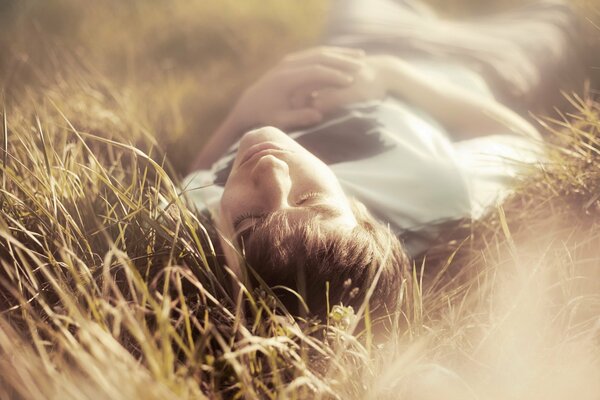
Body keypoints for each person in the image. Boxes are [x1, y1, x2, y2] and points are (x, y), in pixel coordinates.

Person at [182, 0, 586, 319]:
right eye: (308, 201)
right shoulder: (436, 194)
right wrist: (393, 76)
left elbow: (195, 177)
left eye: (249, 222)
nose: (272, 173)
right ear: (362, 215)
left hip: (356, 41)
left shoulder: (201, 209)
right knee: (554, 13)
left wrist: (243, 113)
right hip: (472, 62)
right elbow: (523, 141)